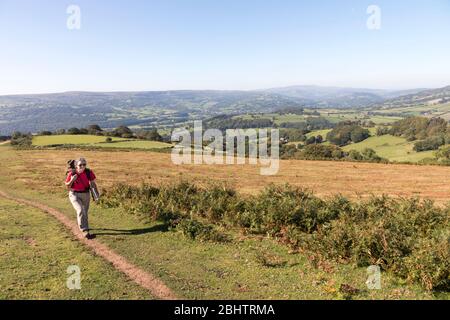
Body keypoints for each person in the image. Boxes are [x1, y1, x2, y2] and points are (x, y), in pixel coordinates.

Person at [65, 157, 97, 239]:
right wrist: (72, 180)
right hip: (74, 194)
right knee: (80, 210)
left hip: (86, 194)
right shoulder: (71, 174)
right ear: (76, 166)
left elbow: (93, 183)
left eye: (84, 164)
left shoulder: (88, 172)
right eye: (80, 165)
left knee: (85, 212)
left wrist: (96, 195)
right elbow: (68, 186)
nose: (82, 166)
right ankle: (84, 230)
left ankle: (85, 227)